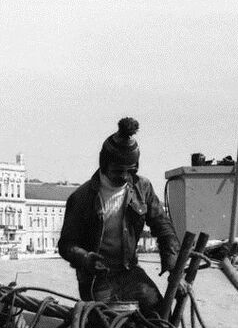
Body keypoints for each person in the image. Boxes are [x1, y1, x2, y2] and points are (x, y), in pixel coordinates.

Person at [58, 117, 180, 316]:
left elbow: (163, 227)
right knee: (105, 327)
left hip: (129, 272)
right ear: (104, 165)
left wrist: (172, 264)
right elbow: (65, 245)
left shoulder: (143, 188)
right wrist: (86, 258)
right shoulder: (81, 198)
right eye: (118, 171)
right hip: (96, 278)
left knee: (159, 315)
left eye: (130, 171)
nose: (124, 177)